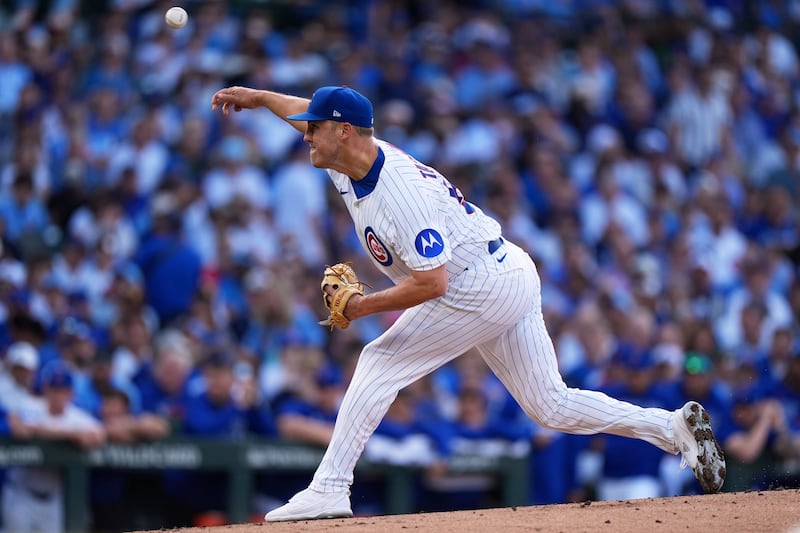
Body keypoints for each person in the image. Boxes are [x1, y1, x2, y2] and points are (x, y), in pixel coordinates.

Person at [210, 84, 727, 522]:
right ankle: (669, 427)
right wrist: (257, 97)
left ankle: (330, 487)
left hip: (478, 282)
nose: (306, 134)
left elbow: (432, 284)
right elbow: (306, 109)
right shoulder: (348, 155)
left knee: (378, 359)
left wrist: (360, 307)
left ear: (342, 131)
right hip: (502, 271)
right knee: (550, 404)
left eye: (314, 128)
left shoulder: (397, 192)